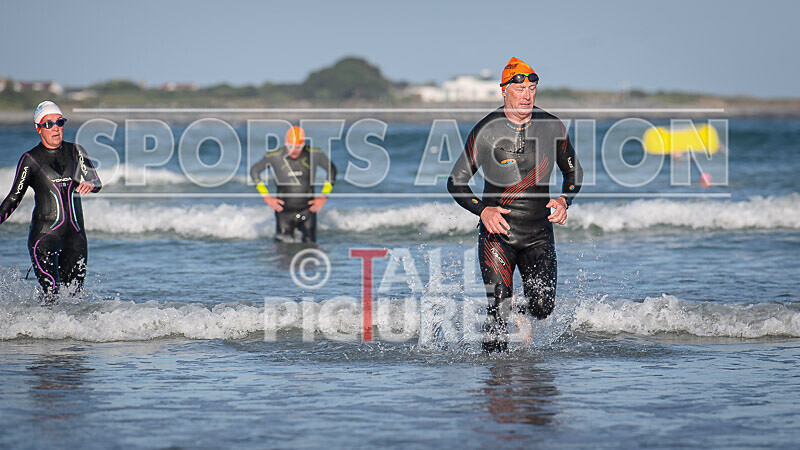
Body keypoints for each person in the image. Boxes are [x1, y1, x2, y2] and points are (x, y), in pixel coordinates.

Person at [447, 57, 583, 352]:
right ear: (504, 90)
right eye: (520, 89)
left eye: (532, 89)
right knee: (498, 307)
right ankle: (494, 374)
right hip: (498, 234)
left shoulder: (552, 126)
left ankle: (521, 313)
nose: (527, 96)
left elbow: (573, 172)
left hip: (538, 234)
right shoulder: (486, 130)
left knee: (543, 307)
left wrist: (564, 199)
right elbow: (456, 182)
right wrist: (483, 210)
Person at [0, 101, 102, 302]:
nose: (55, 128)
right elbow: (14, 198)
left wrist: (91, 183)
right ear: (39, 128)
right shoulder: (30, 159)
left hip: (76, 238)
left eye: (60, 122)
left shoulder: (77, 151)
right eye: (48, 124)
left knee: (75, 298)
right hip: (44, 237)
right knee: (52, 293)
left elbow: (96, 181)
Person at [250, 126, 337, 243]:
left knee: (310, 247)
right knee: (281, 249)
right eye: (290, 146)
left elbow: (332, 170)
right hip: (284, 212)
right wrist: (266, 197)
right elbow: (254, 171)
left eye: (298, 147)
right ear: (285, 143)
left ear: (304, 144)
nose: (294, 150)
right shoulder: (275, 156)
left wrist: (324, 196)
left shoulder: (314, 154)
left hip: (307, 211)